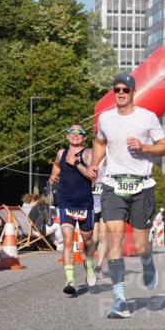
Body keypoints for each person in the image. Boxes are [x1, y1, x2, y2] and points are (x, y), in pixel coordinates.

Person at [88, 73, 165, 319]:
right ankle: (120, 300)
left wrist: (144, 148)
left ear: (134, 91)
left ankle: (147, 260)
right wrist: (95, 164)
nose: (121, 93)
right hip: (113, 185)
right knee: (114, 238)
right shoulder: (105, 118)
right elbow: (100, 142)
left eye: (125, 89)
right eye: (117, 89)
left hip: (142, 187)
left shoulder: (147, 118)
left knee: (139, 245)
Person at [48, 122, 98, 296]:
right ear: (67, 135)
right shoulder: (61, 153)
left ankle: (89, 265)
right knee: (68, 240)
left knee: (88, 241)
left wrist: (76, 163)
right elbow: (56, 164)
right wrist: (53, 175)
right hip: (66, 202)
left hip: (84, 203)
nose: (75, 135)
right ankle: (70, 280)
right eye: (72, 132)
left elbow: (92, 176)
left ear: (84, 137)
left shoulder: (89, 153)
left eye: (79, 133)